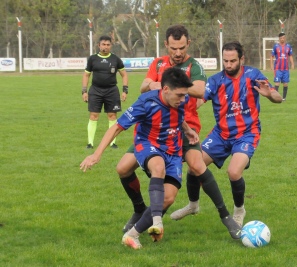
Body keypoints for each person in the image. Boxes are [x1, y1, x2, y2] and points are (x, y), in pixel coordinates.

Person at [117, 24, 242, 240]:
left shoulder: (194, 66)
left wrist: (175, 83)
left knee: (197, 165)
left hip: (185, 127)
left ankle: (226, 217)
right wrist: (157, 84)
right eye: (173, 48)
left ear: (188, 44)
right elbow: (144, 85)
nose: (177, 52)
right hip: (154, 131)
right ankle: (139, 209)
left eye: (182, 47)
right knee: (122, 169)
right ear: (166, 44)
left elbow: (202, 90)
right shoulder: (157, 63)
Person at [80, 68, 199, 250]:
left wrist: (188, 130)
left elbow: (178, 117)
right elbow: (117, 127)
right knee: (157, 167)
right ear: (165, 89)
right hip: (148, 144)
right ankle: (157, 222)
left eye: (185, 95)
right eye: (180, 95)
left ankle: (132, 235)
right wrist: (96, 154)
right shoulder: (146, 102)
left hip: (173, 151)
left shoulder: (181, 100)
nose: (184, 99)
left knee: (168, 198)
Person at [172, 41, 283, 227]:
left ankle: (239, 210)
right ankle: (193, 205)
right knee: (193, 166)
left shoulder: (253, 75)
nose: (229, 65)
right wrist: (183, 94)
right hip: (221, 134)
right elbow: (201, 97)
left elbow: (278, 98)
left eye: (233, 61)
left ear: (242, 59)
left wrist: (270, 94)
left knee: (233, 171)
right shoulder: (216, 80)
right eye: (225, 61)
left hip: (247, 133)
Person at [82, 35, 128, 149]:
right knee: (93, 116)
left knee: (112, 116)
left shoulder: (115, 59)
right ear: (99, 45)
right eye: (103, 44)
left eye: (108, 45)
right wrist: (84, 91)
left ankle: (112, 143)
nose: (105, 47)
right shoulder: (92, 59)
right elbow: (86, 75)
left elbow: (124, 74)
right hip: (95, 90)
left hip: (112, 91)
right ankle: (90, 143)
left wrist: (125, 90)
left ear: (111, 46)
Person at [270, 32, 294, 101]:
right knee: (277, 83)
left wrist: (292, 64)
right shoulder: (276, 46)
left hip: (286, 69)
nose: (282, 39)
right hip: (278, 68)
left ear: (285, 38)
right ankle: (276, 98)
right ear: (279, 39)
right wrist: (271, 65)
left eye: (283, 38)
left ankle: (284, 98)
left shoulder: (288, 46)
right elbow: (271, 56)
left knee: (285, 84)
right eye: (281, 38)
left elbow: (290, 56)